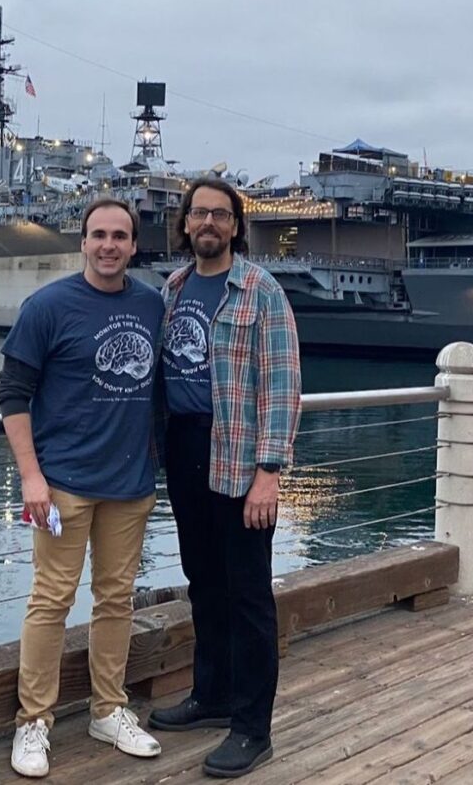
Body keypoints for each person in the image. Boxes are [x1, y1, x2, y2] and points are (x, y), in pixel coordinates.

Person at [0, 198, 164, 778]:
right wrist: (32, 477)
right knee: (50, 601)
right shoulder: (46, 307)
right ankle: (33, 721)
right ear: (82, 243)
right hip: (62, 484)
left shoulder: (152, 304)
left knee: (117, 600)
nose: (109, 245)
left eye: (120, 235)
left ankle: (108, 710)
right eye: (98, 235)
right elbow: (12, 396)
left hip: (131, 484)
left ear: (135, 245)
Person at [148, 178, 301, 778]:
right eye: (197, 214)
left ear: (236, 225)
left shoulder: (262, 291)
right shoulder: (175, 287)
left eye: (219, 214)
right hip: (185, 446)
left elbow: (284, 386)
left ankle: (251, 727)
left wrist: (270, 472)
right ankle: (210, 695)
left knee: (248, 595)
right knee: (202, 582)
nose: (207, 223)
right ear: (184, 225)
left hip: (239, 456)